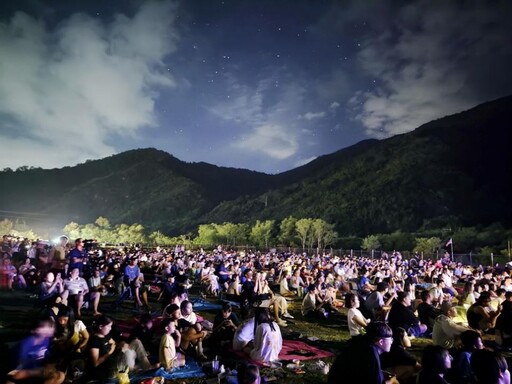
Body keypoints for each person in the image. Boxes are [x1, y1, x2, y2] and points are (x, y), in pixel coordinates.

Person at [328, 321, 394, 384]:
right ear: (381, 342)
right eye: (390, 339)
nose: (392, 342)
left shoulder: (362, 344)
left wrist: (380, 373)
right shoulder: (371, 353)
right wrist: (391, 381)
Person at [6, 316, 65, 384]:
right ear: (37, 329)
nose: (52, 328)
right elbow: (19, 369)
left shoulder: (46, 340)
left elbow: (46, 358)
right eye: (49, 326)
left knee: (60, 375)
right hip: (22, 373)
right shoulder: (26, 344)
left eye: (52, 326)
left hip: (35, 372)